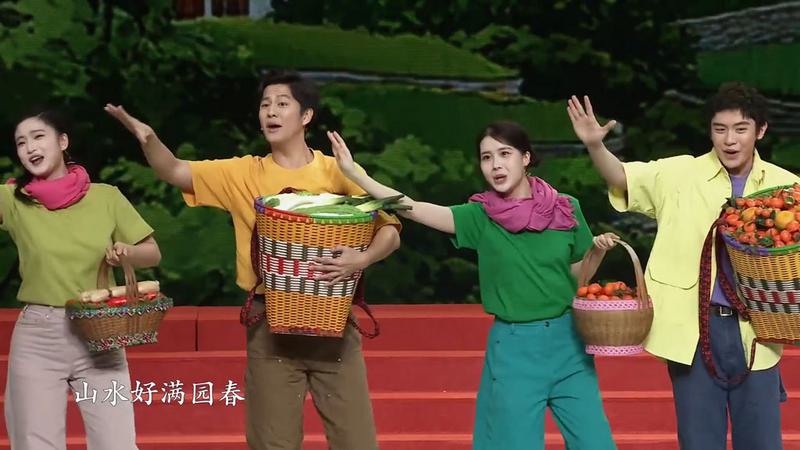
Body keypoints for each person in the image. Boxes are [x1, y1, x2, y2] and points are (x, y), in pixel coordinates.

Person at [105, 69, 401, 450]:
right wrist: (148, 139)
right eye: (265, 105)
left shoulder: (337, 171)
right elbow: (175, 170)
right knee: (271, 443)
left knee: (357, 442)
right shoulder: (243, 172)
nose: (271, 112)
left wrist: (361, 258)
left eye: (282, 104)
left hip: (334, 322)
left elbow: (390, 229)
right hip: (269, 323)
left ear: (306, 116)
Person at [325, 121, 618, 450]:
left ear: (525, 157)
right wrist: (356, 175)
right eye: (486, 157)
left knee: (596, 443)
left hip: (570, 345)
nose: (495, 165)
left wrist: (597, 251)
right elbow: (413, 209)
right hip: (515, 349)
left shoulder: (566, 207)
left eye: (504, 154)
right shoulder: (480, 216)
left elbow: (576, 279)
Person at [567, 82, 799, 449]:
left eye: (740, 129)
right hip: (693, 328)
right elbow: (623, 177)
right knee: (698, 440)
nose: (730, 140)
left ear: (761, 130)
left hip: (757, 331)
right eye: (720, 129)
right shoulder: (679, 174)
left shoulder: (786, 186)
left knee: (762, 442)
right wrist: (595, 145)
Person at [3, 109, 161, 450]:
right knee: (35, 443)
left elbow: (152, 253)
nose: (30, 147)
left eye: (38, 137)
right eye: (21, 142)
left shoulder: (106, 197)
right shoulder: (13, 200)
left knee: (117, 443)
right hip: (39, 336)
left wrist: (127, 252)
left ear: (63, 141)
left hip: (100, 334)